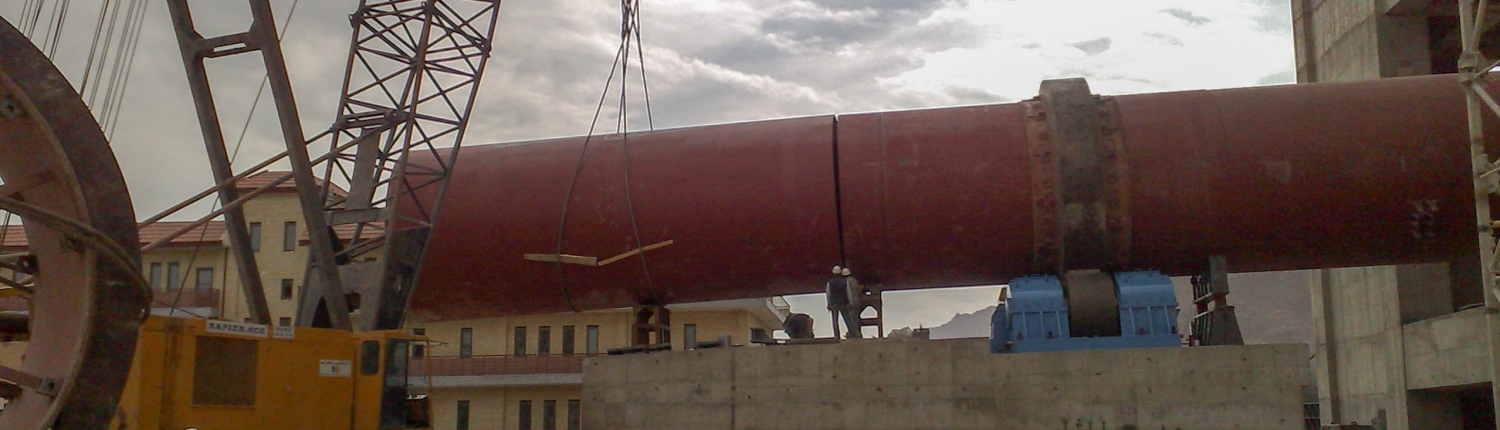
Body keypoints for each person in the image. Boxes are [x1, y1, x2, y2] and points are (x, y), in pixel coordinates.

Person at [825, 265, 852, 339]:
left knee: (835, 321)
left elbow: (828, 293)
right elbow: (848, 292)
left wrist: (828, 303)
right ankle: (852, 333)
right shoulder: (845, 282)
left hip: (834, 303)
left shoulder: (829, 283)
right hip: (843, 303)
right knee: (847, 320)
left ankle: (837, 336)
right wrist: (850, 302)